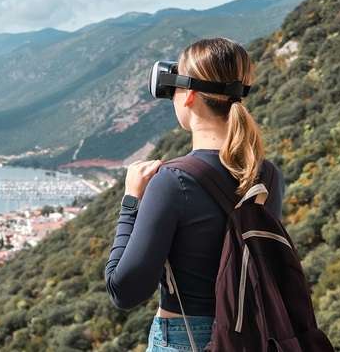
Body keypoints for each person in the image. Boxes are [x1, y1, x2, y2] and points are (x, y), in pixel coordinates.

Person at [103, 37, 285, 351]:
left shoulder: (172, 181)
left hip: (186, 338)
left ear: (189, 96)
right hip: (250, 336)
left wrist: (131, 202)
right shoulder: (267, 175)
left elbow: (124, 291)